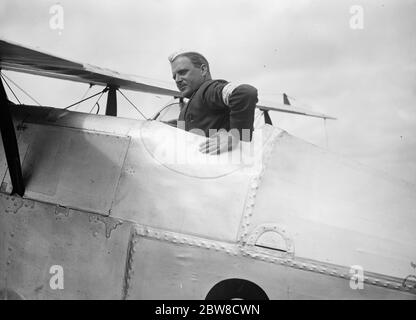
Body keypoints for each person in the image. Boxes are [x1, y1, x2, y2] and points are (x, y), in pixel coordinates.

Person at [168, 51, 258, 154]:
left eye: (183, 72)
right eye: (174, 76)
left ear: (203, 70)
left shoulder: (208, 90)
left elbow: (245, 93)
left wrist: (234, 136)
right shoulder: (190, 105)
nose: (177, 80)